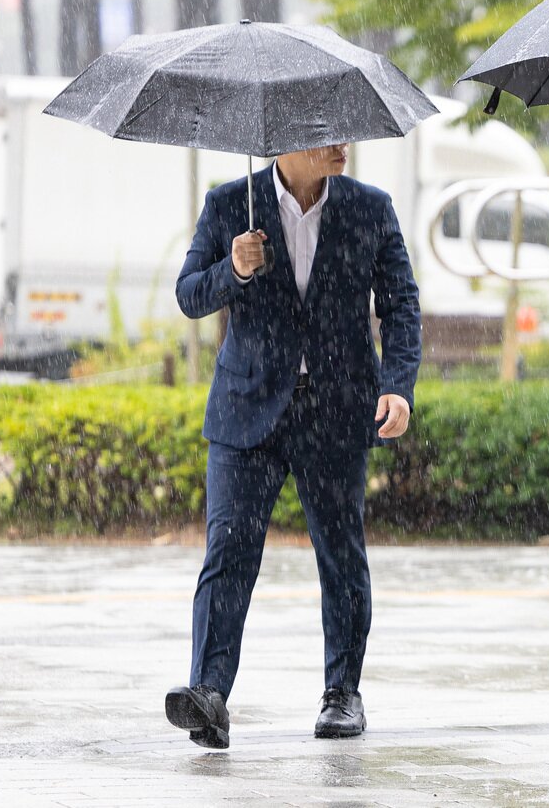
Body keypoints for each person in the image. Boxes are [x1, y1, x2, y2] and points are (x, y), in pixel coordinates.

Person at [165, 142, 421, 749]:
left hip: (336, 409)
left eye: (345, 133)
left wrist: (399, 387)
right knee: (228, 551)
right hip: (246, 408)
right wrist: (236, 269)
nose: (340, 146)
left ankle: (342, 694)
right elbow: (189, 295)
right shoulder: (231, 204)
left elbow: (401, 304)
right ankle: (208, 694)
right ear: (284, 141)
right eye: (325, 134)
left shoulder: (370, 209)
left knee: (340, 552)